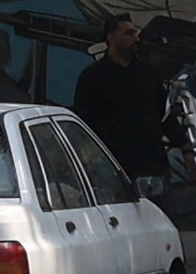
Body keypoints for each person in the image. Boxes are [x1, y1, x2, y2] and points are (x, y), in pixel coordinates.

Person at [75, 13, 176, 194]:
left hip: (152, 166)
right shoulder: (93, 77)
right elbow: (83, 122)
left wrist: (186, 147)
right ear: (112, 38)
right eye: (129, 34)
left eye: (136, 33)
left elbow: (164, 113)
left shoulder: (147, 72)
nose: (136, 39)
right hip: (113, 170)